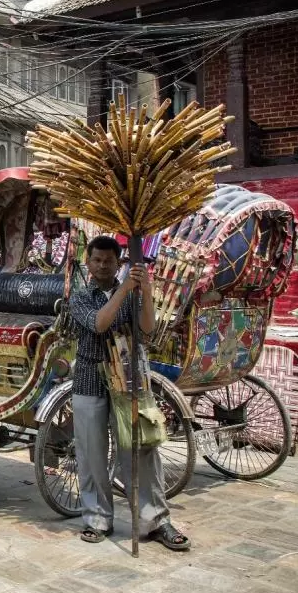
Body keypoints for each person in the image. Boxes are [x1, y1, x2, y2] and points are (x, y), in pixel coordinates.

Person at [68, 236, 190, 551]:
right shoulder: (81, 296)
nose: (102, 265)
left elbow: (147, 330)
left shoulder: (135, 294)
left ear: (119, 262)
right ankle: (97, 519)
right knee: (92, 454)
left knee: (140, 451)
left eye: (109, 260)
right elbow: (99, 324)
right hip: (90, 380)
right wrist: (124, 289)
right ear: (89, 262)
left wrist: (145, 291)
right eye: (97, 260)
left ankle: (156, 521)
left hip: (129, 379)